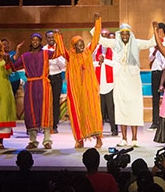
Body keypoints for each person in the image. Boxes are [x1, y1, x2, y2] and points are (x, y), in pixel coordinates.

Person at [95, 19, 156, 147]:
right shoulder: (115, 43)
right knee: (121, 108)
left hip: (133, 81)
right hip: (120, 81)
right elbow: (100, 39)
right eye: (122, 34)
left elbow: (151, 42)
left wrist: (154, 29)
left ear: (130, 34)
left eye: (127, 34)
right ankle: (123, 138)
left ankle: (134, 139)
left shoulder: (136, 43)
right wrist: (97, 22)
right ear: (119, 34)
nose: (124, 36)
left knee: (134, 108)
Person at [53, 17, 104, 148]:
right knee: (77, 114)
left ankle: (98, 139)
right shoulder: (70, 56)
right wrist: (57, 35)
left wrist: (97, 22)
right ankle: (79, 139)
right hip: (76, 92)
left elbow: (96, 39)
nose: (81, 47)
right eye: (78, 45)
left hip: (89, 91)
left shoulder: (88, 51)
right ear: (74, 46)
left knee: (93, 113)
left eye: (82, 44)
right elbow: (62, 49)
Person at [12, 33, 54, 149]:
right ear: (31, 42)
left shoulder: (46, 54)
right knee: (31, 112)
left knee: (45, 111)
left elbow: (58, 53)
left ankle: (47, 140)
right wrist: (15, 53)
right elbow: (14, 67)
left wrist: (58, 37)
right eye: (33, 40)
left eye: (37, 40)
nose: (35, 42)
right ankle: (32, 141)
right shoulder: (25, 56)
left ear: (40, 42)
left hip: (43, 85)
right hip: (30, 86)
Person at [93, 28, 118, 139]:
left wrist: (105, 61)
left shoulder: (114, 48)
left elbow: (116, 64)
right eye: (101, 35)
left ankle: (114, 129)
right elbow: (91, 63)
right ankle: (99, 130)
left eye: (105, 35)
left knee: (111, 109)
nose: (103, 37)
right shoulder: (95, 48)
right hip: (99, 83)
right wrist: (98, 62)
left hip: (110, 83)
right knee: (100, 110)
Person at [148, 22, 165, 131]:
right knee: (155, 97)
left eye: (158, 31)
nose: (157, 33)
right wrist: (155, 49)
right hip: (155, 70)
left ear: (162, 31)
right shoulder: (153, 42)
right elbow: (150, 58)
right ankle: (155, 122)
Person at [44, 31, 66, 134]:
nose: (51, 39)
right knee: (46, 101)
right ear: (46, 38)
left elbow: (64, 67)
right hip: (46, 77)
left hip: (57, 77)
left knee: (55, 102)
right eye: (49, 37)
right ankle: (46, 124)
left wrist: (55, 58)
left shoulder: (60, 49)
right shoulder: (43, 50)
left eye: (52, 37)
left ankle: (54, 125)